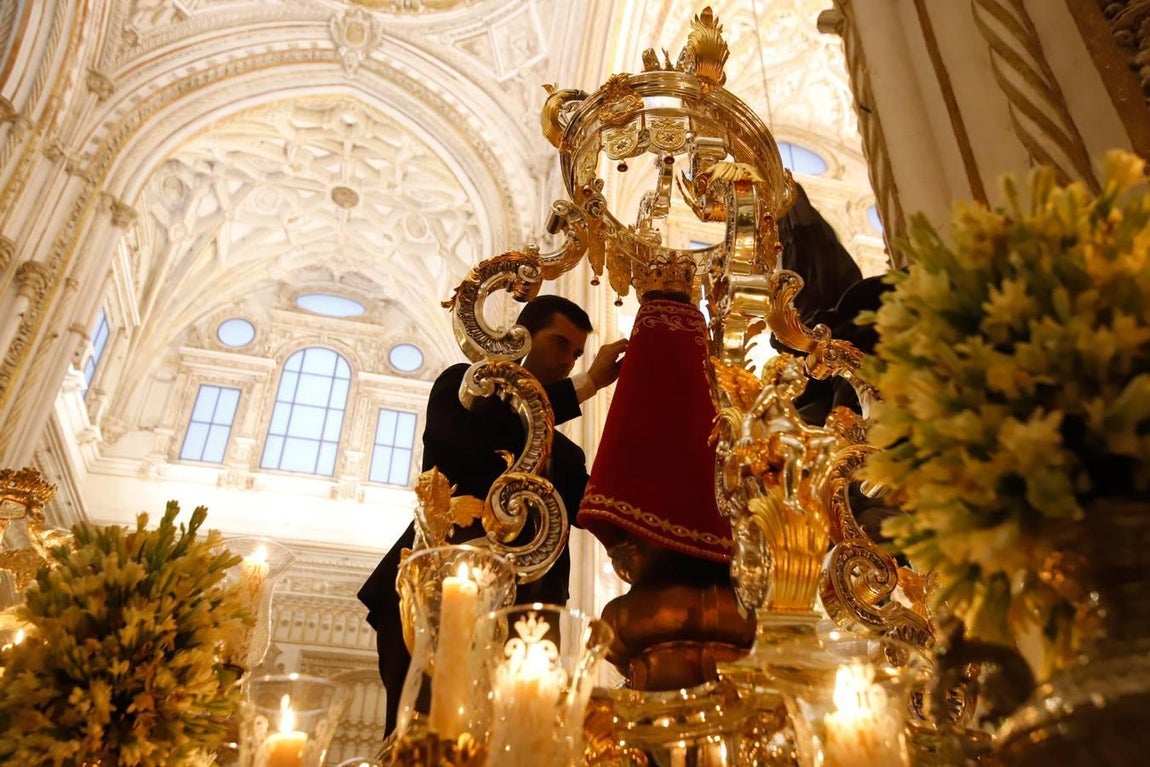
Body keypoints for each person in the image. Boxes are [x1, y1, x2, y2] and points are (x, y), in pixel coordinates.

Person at [357, 294, 627, 737]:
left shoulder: (566, 455)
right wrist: (587, 383)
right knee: (421, 738)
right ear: (522, 336)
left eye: (577, 354)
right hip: (437, 598)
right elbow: (473, 440)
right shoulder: (462, 389)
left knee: (517, 740)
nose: (568, 360)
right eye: (560, 344)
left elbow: (596, 509)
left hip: (531, 616)